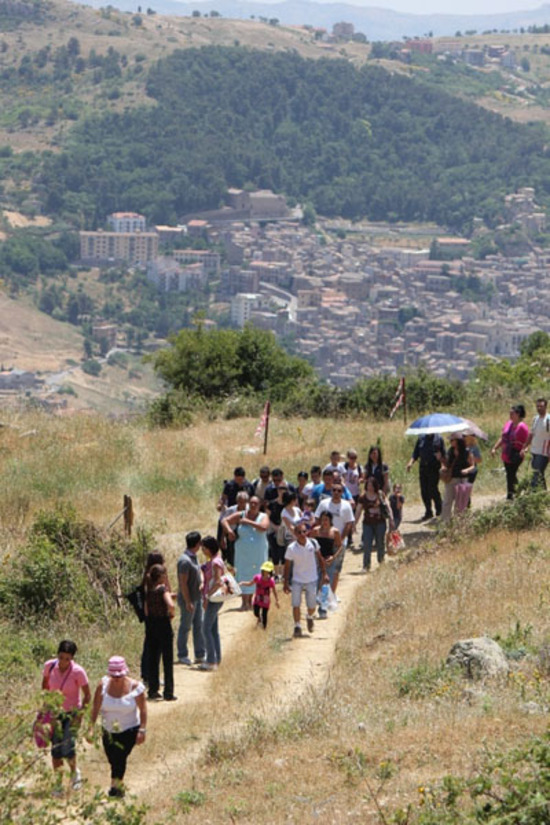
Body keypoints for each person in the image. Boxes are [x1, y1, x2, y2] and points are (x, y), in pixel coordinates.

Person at [89, 656, 147, 799]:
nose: (116, 678)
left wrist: (142, 730)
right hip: (108, 730)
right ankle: (117, 784)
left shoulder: (135, 687)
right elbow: (95, 707)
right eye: (113, 676)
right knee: (112, 757)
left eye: (119, 676)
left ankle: (115, 788)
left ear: (125, 673)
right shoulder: (102, 686)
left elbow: (143, 709)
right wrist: (90, 728)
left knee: (120, 757)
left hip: (130, 729)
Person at [42, 640, 91, 797]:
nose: (63, 662)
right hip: (55, 713)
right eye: (61, 657)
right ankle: (58, 782)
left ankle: (74, 773)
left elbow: (87, 695)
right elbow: (44, 686)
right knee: (56, 749)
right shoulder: (49, 666)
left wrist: (81, 714)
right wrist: (46, 707)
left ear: (72, 658)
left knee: (68, 746)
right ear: (58, 654)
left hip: (72, 713)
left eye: (67, 659)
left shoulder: (78, 671)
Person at [223, 496, 269, 610]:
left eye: (256, 504)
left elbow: (263, 527)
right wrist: (229, 531)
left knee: (255, 574)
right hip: (242, 552)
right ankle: (244, 602)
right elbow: (224, 520)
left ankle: (251, 600)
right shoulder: (241, 514)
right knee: (243, 573)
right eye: (251, 503)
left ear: (259, 505)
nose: (253, 505)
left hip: (258, 552)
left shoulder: (263, 516)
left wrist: (248, 522)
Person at [284, 524, 328, 637]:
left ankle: (309, 616)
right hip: (297, 579)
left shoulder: (313, 543)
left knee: (312, 604)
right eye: (299, 532)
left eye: (304, 532)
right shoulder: (291, 548)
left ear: (307, 532)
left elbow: (320, 558)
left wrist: (324, 573)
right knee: (296, 604)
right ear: (295, 534)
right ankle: (297, 626)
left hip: (312, 578)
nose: (302, 534)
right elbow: (287, 566)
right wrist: (285, 583)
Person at [314, 480, 355, 593]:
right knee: (321, 566)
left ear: (342, 492)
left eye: (339, 490)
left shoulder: (346, 505)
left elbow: (349, 523)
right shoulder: (324, 503)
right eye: (334, 490)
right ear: (331, 491)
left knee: (335, 569)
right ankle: (319, 591)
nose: (336, 492)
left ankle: (332, 593)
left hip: (339, 542)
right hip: (323, 540)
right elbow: (317, 518)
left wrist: (341, 539)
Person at [145, 564, 176, 700]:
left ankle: (153, 690)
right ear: (161, 576)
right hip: (163, 624)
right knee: (167, 659)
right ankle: (168, 692)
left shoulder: (149, 590)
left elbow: (146, 610)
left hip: (151, 625)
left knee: (153, 659)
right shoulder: (162, 589)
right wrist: (171, 614)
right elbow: (171, 605)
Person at [140, 550, 170, 685]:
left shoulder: (146, 576)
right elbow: (166, 591)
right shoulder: (158, 576)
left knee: (148, 645)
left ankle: (146, 674)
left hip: (149, 616)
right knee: (157, 648)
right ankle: (153, 677)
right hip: (159, 616)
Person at [177, 531, 206, 666]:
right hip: (189, 599)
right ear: (197, 544)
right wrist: (188, 601)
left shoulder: (193, 557)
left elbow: (199, 571)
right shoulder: (184, 561)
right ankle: (182, 654)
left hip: (197, 597)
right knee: (185, 626)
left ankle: (200, 654)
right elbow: (183, 584)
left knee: (199, 625)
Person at [491, 404, 529, 500]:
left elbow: (528, 441)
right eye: (510, 413)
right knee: (510, 473)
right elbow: (503, 438)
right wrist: (495, 448)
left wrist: (524, 450)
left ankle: (510, 495)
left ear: (518, 414)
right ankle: (519, 489)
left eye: (512, 413)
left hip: (517, 453)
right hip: (507, 453)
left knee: (511, 474)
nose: (510, 415)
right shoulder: (508, 424)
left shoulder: (522, 427)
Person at [356, 478, 393, 572]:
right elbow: (358, 511)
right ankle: (366, 565)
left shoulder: (380, 494)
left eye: (372, 486)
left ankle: (381, 562)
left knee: (380, 543)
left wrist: (391, 519)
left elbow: (388, 506)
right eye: (368, 485)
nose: (370, 488)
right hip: (367, 524)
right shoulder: (363, 497)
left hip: (380, 522)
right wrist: (354, 523)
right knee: (367, 544)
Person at [406, 433, 445, 521]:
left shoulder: (439, 439)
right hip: (423, 467)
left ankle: (439, 510)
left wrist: (443, 465)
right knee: (424, 490)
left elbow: (443, 453)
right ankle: (428, 511)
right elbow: (415, 453)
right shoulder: (421, 438)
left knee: (433, 488)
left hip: (434, 467)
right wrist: (410, 463)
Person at [201, 535, 225, 671]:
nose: (203, 550)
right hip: (214, 599)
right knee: (213, 629)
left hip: (214, 599)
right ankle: (216, 658)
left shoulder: (215, 563)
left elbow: (217, 581)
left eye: (204, 548)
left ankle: (211, 660)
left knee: (206, 628)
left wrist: (207, 596)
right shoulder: (215, 560)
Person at [311, 510, 342, 613]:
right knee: (317, 583)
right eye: (322, 519)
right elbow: (310, 544)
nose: (324, 522)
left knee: (325, 585)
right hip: (317, 561)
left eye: (326, 519)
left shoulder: (335, 532)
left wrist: (333, 557)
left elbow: (339, 547)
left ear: (330, 520)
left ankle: (322, 609)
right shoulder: (316, 531)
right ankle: (317, 604)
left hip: (329, 561)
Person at [440, 434, 475, 520]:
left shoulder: (467, 451)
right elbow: (447, 463)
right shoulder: (450, 451)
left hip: (462, 480)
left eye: (452, 440)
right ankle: (445, 523)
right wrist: (443, 465)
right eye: (450, 440)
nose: (451, 442)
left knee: (460, 503)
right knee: (447, 501)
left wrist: (467, 470)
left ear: (458, 441)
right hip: (451, 479)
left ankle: (458, 523)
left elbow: (473, 466)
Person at [239, 560, 280, 629]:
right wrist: (242, 583)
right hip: (257, 599)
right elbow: (250, 583)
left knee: (265, 615)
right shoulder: (257, 578)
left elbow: (274, 591)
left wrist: (277, 600)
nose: (265, 573)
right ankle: (259, 618)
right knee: (255, 612)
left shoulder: (271, 581)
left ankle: (264, 629)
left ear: (270, 572)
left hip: (265, 601)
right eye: (264, 571)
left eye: (267, 571)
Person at [525, 397, 550, 489]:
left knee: (537, 474)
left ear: (545, 407)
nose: (539, 408)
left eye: (541, 406)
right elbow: (531, 434)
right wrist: (525, 446)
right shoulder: (535, 419)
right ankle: (543, 495)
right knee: (539, 474)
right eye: (537, 406)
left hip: (544, 452)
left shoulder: (548, 420)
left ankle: (534, 493)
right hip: (534, 450)